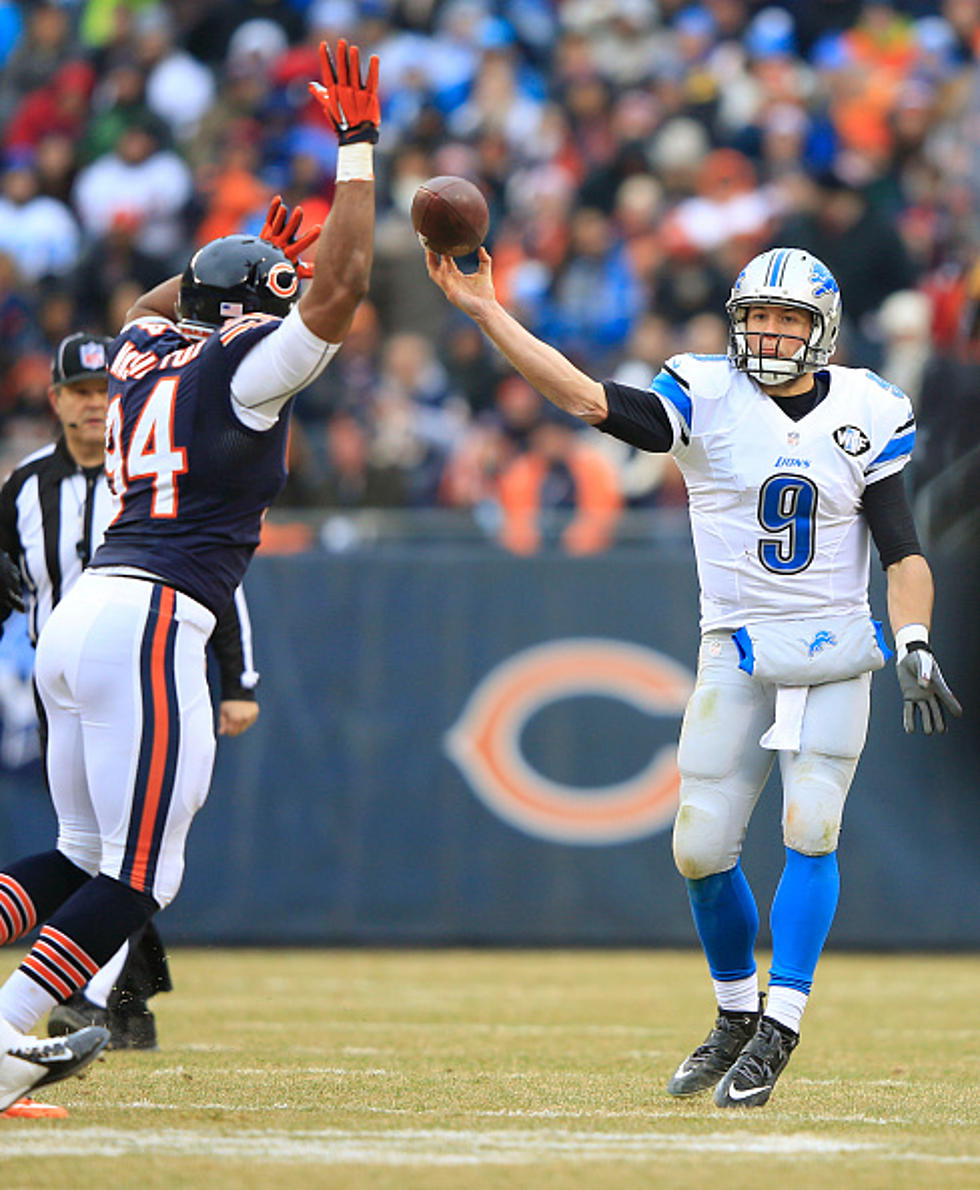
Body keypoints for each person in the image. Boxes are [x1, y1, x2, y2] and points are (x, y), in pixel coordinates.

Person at [425, 243, 961, 1108]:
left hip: (830, 646)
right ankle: (734, 1013)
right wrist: (489, 311)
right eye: (758, 317)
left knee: (812, 823)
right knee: (700, 846)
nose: (770, 333)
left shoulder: (868, 409)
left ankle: (781, 1022)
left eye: (789, 319)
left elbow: (902, 550)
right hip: (737, 644)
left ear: (822, 330)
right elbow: (584, 396)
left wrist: (914, 640)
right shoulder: (705, 392)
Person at [0, 36, 378, 1112]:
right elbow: (341, 281)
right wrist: (354, 150)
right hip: (153, 617)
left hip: (84, 615)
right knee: (141, 873)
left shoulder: (140, 350)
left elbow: (155, 304)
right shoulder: (241, 369)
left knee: (78, 853)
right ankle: (4, 1035)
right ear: (245, 311)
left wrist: (241, 254)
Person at [0, 333, 262, 1108]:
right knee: (139, 866)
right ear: (53, 399)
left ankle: (94, 998)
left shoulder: (133, 472)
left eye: (98, 387)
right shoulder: (26, 488)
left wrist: (236, 675)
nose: (89, 401)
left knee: (89, 857)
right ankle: (29, 1015)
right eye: (75, 389)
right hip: (129, 652)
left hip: (89, 653)